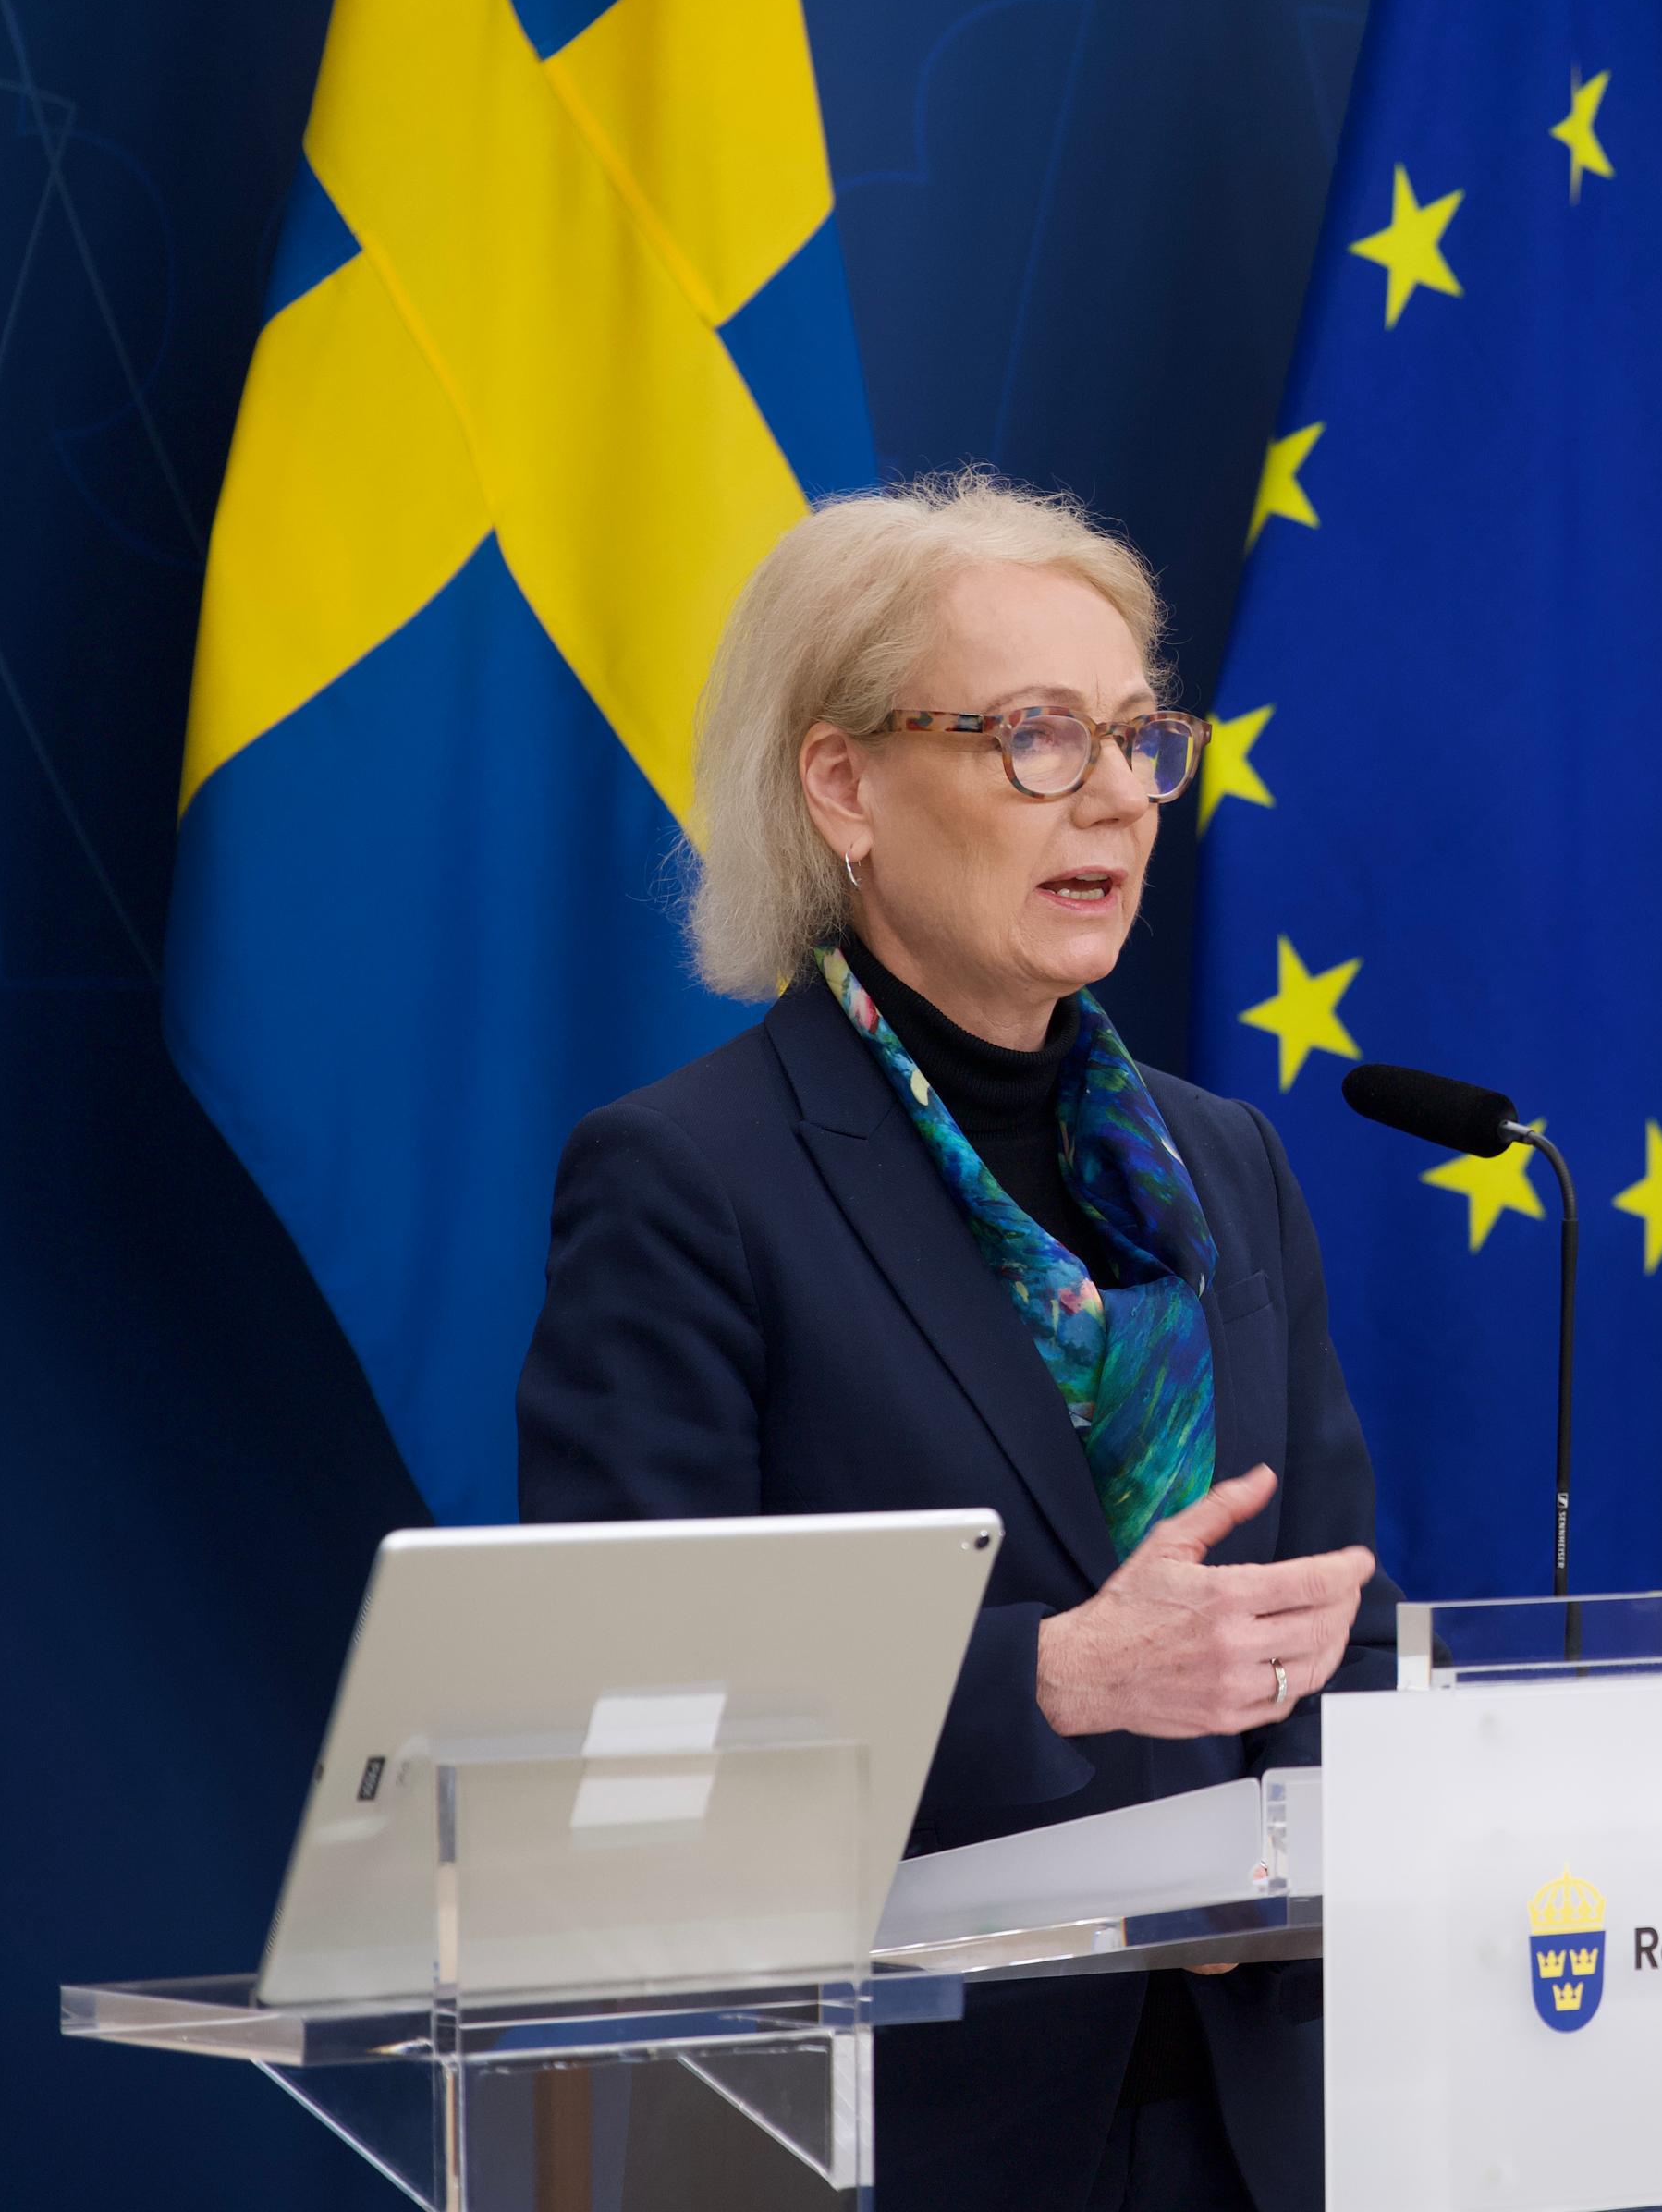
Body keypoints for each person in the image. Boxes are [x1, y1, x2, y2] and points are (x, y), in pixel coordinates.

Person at [519, 473, 1389, 2212]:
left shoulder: (1224, 1163)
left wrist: (1294, 1856)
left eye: (1141, 740)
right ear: (843, 784)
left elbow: (1326, 1621)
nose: (1120, 801)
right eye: (1033, 738)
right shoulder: (693, 1182)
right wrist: (1054, 1681)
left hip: (1257, 2122)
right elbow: (634, 1719)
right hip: (911, 2130)